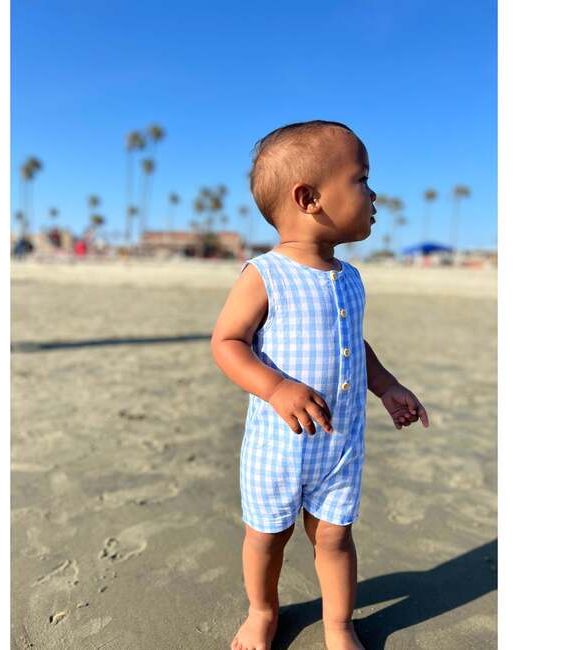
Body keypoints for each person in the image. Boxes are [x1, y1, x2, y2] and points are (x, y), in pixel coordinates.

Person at [211, 120, 429, 650]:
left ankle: (338, 623)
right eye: (361, 179)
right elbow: (227, 342)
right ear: (308, 198)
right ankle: (262, 611)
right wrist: (277, 387)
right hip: (278, 446)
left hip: (340, 444)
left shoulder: (349, 277)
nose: (374, 194)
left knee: (334, 536)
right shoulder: (266, 274)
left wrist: (387, 386)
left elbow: (354, 341)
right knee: (267, 538)